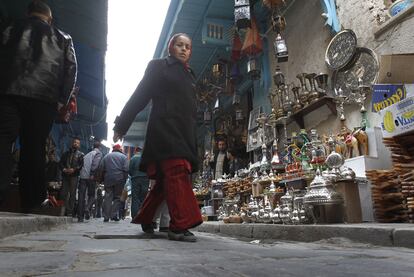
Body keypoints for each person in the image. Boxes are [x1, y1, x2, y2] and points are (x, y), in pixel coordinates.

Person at [113, 33, 202, 242]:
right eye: (179, 45)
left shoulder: (190, 74)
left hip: (185, 133)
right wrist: (122, 124)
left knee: (164, 182)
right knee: (177, 172)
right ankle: (179, 226)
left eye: (187, 47)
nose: (183, 49)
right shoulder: (158, 66)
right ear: (171, 47)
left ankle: (146, 217)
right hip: (165, 131)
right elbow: (140, 95)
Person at [0, 1, 77, 212]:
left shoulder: (9, 29)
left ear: (28, 14)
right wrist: (62, 101)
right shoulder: (63, 37)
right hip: (43, 99)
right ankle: (32, 201)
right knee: (34, 148)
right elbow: (70, 71)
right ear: (49, 19)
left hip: (7, 93)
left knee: (3, 141)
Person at [100, 144, 128, 222]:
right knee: (117, 197)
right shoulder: (124, 157)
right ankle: (113, 215)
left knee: (107, 197)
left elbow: (101, 168)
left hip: (108, 179)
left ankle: (106, 216)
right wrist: (124, 179)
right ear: (120, 149)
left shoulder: (106, 156)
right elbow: (126, 169)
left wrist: (102, 179)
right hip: (119, 179)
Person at [77, 141, 102, 222]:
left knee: (81, 196)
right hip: (90, 177)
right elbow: (95, 165)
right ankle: (87, 208)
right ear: (99, 147)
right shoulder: (98, 153)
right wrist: (92, 174)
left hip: (82, 177)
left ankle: (80, 217)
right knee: (92, 196)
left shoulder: (87, 154)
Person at [59, 138, 84, 217]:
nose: (75, 143)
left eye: (77, 143)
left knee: (72, 194)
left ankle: (70, 211)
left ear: (79, 145)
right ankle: (62, 210)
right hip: (65, 175)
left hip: (74, 176)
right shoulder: (65, 153)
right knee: (63, 193)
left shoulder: (81, 154)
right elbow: (60, 163)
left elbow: (80, 165)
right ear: (72, 143)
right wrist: (64, 169)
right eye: (74, 142)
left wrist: (74, 169)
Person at [128, 146, 149, 218]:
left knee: (135, 198)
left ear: (136, 151)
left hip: (135, 179)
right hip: (145, 179)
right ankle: (142, 215)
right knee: (143, 197)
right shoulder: (145, 159)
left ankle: (135, 216)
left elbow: (130, 170)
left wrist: (133, 175)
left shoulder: (133, 158)